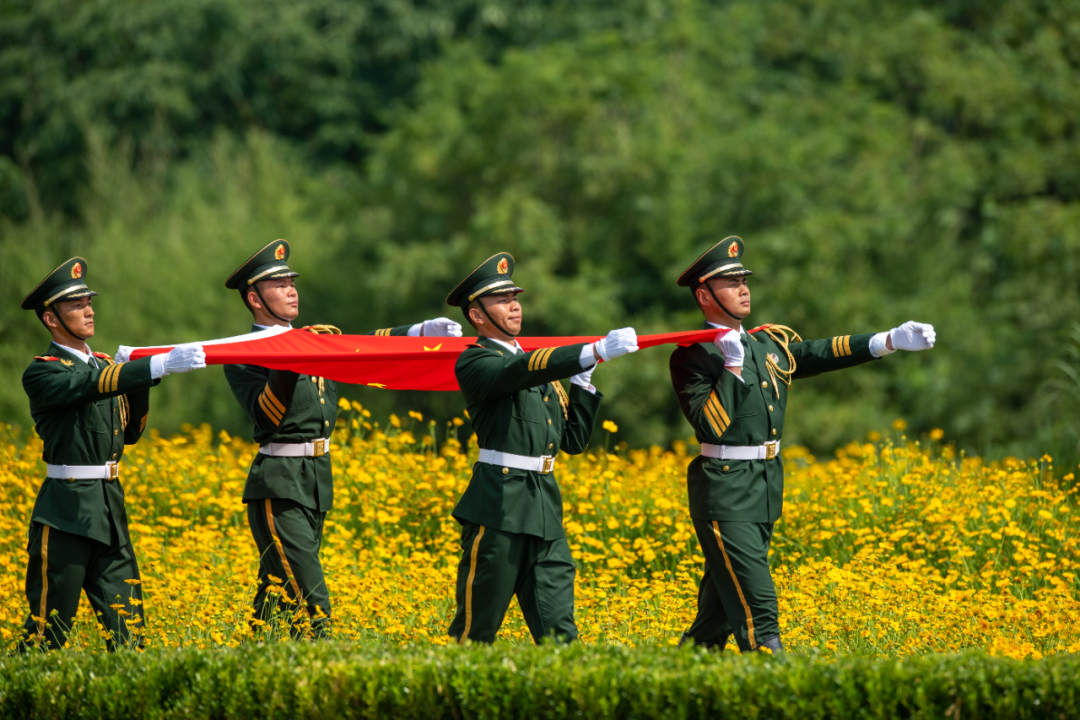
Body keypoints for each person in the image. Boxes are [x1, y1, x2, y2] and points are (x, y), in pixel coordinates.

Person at [670, 236, 936, 653]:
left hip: (763, 487)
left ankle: (688, 665)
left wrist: (886, 341)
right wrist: (733, 366)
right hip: (724, 489)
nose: (743, 288)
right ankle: (773, 676)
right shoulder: (693, 354)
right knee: (759, 608)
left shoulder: (764, 343)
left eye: (744, 280)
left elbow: (814, 353)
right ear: (704, 295)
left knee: (719, 610)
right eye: (730, 283)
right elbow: (711, 425)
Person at [222, 239, 462, 638]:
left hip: (315, 480)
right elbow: (267, 416)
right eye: (279, 285)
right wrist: (289, 362)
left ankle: (249, 660)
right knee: (312, 600)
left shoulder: (315, 340)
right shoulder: (241, 352)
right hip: (278, 484)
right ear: (254, 298)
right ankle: (322, 662)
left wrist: (417, 332)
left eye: (291, 282)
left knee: (278, 594)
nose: (291, 290)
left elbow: (363, 346)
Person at [444, 252, 637, 644]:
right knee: (475, 633)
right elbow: (517, 372)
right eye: (501, 300)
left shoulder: (542, 370)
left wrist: (582, 381)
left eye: (515, 296)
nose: (514, 305)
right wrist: (592, 350)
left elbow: (573, 442)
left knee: (561, 635)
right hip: (499, 506)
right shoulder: (477, 361)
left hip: (545, 509)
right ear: (476, 315)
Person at [18, 257, 205, 650]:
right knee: (46, 634)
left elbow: (130, 432)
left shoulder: (105, 366)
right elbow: (88, 386)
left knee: (130, 637)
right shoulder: (44, 372)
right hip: (67, 513)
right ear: (51, 319)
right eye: (76, 305)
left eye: (89, 301)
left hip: (109, 511)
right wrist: (151, 367)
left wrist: (139, 375)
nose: (89, 310)